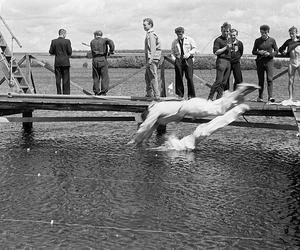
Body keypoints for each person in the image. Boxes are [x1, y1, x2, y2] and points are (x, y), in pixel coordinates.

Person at [129, 83, 259, 145]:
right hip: (192, 105)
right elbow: (148, 131)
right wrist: (139, 141)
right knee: (217, 106)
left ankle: (240, 89)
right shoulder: (157, 115)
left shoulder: (154, 110)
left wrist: (134, 140)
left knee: (219, 110)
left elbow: (146, 126)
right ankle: (241, 94)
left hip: (190, 107)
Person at [252, 25, 278, 102]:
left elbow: (276, 51)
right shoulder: (257, 41)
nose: (263, 34)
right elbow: (253, 51)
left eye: (265, 32)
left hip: (269, 62)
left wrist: (270, 54)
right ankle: (260, 97)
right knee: (261, 80)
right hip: (259, 62)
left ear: (268, 32)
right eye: (262, 32)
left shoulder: (272, 40)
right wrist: (259, 52)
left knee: (270, 79)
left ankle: (270, 97)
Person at [171, 26, 197, 99]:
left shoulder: (190, 40)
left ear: (183, 33)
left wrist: (189, 54)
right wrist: (175, 60)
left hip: (188, 59)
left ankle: (191, 95)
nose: (179, 35)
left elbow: (194, 48)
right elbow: (172, 52)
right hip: (179, 60)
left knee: (189, 77)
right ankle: (180, 95)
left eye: (180, 34)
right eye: (178, 34)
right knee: (179, 77)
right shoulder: (174, 42)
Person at [208, 22, 232, 100]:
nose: (226, 33)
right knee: (218, 81)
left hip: (229, 62)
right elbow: (216, 52)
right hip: (221, 61)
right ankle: (210, 98)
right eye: (224, 31)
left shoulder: (230, 39)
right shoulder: (218, 40)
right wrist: (226, 47)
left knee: (224, 82)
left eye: (227, 31)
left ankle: (219, 98)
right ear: (221, 31)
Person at [279, 26, 300, 104]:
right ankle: (290, 98)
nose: (291, 35)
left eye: (293, 34)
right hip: (292, 62)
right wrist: (283, 53)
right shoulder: (288, 41)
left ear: (296, 33)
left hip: (299, 62)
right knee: (290, 81)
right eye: (290, 34)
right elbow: (281, 49)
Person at [90, 30, 115, 96]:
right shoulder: (104, 40)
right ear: (101, 35)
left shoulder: (92, 41)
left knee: (96, 77)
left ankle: (96, 92)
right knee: (104, 77)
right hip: (103, 59)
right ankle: (103, 92)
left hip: (95, 60)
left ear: (95, 35)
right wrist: (111, 51)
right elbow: (111, 42)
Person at [49, 29, 72, 95]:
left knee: (58, 78)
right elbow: (70, 52)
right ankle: (66, 93)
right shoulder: (67, 41)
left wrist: (56, 52)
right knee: (66, 79)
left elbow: (51, 51)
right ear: (64, 34)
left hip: (57, 62)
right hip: (65, 62)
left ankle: (59, 93)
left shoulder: (54, 41)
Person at [143, 17, 161, 99]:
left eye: (145, 25)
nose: (144, 27)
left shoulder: (151, 35)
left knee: (153, 77)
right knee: (147, 76)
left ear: (150, 24)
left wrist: (150, 60)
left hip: (152, 59)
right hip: (151, 58)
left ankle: (157, 95)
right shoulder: (149, 34)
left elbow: (153, 48)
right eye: (143, 25)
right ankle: (149, 93)